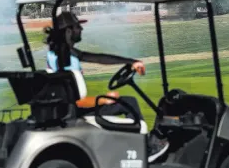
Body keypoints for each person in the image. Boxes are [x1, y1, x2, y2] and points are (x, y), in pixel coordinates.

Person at [44, 11, 169, 163]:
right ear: (69, 30)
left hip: (72, 111)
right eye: (78, 27)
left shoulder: (64, 53)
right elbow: (74, 101)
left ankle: (140, 147)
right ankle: (146, 150)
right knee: (129, 104)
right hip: (74, 112)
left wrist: (131, 61)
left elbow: (98, 58)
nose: (81, 30)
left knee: (129, 101)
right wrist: (103, 100)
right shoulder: (64, 60)